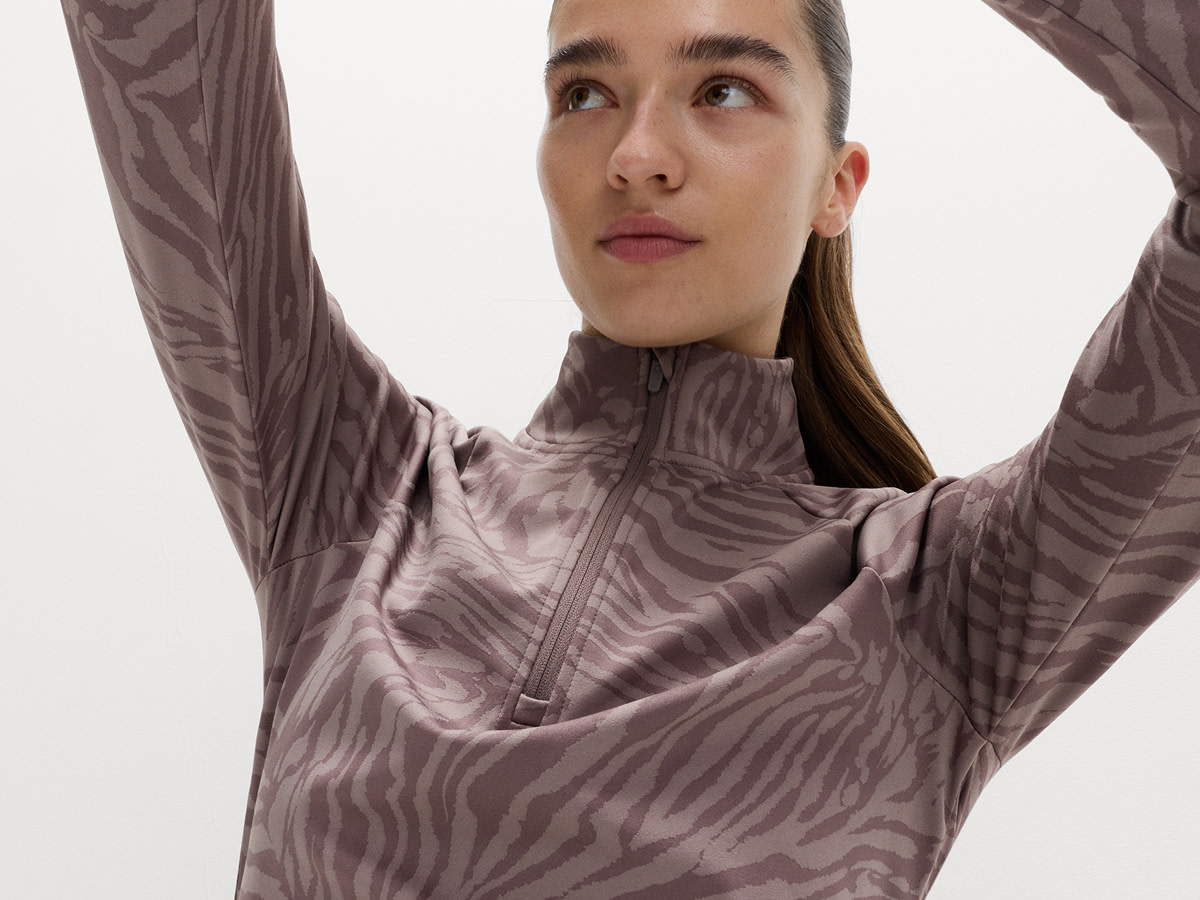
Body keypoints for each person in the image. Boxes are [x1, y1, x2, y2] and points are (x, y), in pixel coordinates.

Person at [58, 0, 1199, 896]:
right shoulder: (352, 489)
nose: (640, 153)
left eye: (725, 88)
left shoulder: (951, 604)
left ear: (835, 188)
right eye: (588, 91)